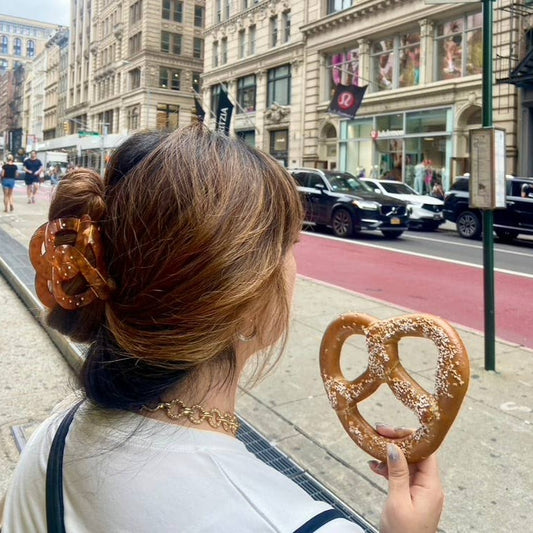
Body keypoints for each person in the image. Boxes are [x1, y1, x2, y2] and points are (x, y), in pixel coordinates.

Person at [2, 126, 444, 532]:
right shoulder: (294, 522)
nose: (295, 270)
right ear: (242, 297)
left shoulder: (50, 442)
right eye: (290, 248)